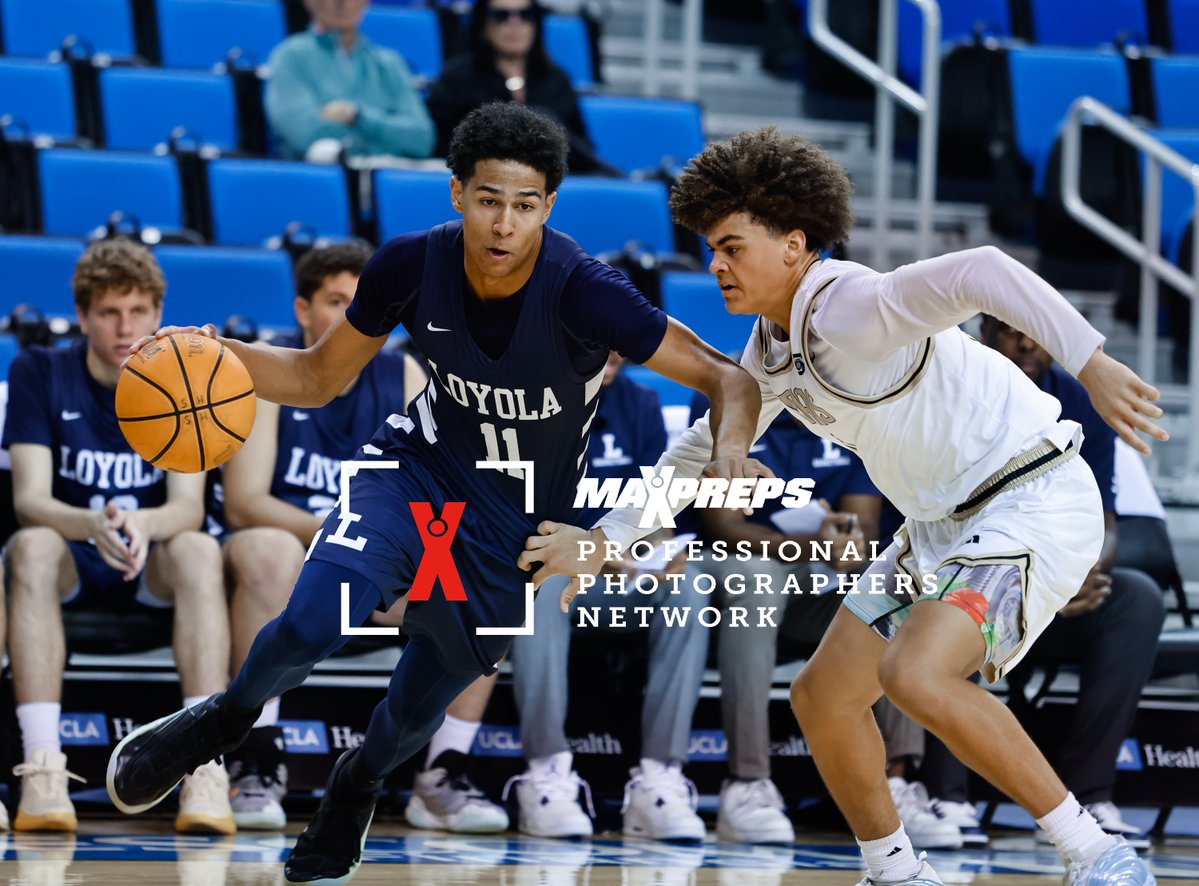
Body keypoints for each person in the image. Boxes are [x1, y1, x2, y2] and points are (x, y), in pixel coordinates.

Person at [106, 103, 765, 885]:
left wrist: (728, 451)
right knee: (313, 618)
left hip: (512, 521)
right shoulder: (410, 265)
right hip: (413, 474)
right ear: (457, 193)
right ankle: (225, 717)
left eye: (524, 206)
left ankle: (357, 785)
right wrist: (218, 353)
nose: (504, 224)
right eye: (488, 199)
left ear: (549, 207)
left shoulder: (586, 291)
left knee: (412, 712)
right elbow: (317, 378)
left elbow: (727, 377)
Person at [523, 128, 1165, 886]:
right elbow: (693, 454)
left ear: (794, 244)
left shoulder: (854, 304)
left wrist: (1088, 361)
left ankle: (1097, 855)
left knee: (916, 677)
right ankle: (894, 871)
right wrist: (603, 543)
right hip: (940, 526)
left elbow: (985, 269)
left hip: (1031, 499)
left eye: (730, 246)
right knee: (821, 697)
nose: (714, 265)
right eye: (709, 248)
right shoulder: (772, 348)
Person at [3, 239, 233, 835]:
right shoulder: (39, 370)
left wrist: (138, 524)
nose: (125, 326)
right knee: (30, 545)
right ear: (82, 316)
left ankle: (203, 766)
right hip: (72, 556)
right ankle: (43, 766)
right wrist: (93, 524)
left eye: (137, 311)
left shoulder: (186, 379)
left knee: (201, 547)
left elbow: (186, 509)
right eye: (109, 312)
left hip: (151, 558)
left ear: (159, 313)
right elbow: (29, 500)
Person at [977, 315, 1165, 849]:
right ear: (985, 332)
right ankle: (946, 797)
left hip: (1057, 597)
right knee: (942, 594)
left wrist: (1073, 577)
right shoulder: (963, 391)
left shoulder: (1082, 401)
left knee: (1137, 599)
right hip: (982, 587)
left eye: (1038, 331)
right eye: (1012, 330)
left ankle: (1089, 793)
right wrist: (1034, 581)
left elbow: (1104, 521)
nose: (1029, 342)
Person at [507, 352, 708, 842]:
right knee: (544, 580)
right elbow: (515, 516)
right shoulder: (522, 401)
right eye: (594, 339)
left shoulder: (638, 402)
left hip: (619, 570)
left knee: (688, 587)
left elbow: (657, 503)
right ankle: (546, 774)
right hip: (549, 564)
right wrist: (592, 552)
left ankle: (659, 779)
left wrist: (663, 552)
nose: (613, 351)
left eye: (618, 340)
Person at [426, 0, 611, 173]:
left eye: (525, 14)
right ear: (483, 23)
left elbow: (581, 149)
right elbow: (439, 145)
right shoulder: (457, 78)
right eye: (501, 15)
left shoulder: (556, 79)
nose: (515, 24)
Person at [265, 0, 435, 162]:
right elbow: (304, 134)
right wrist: (386, 139)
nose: (342, 3)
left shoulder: (390, 63)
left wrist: (358, 117)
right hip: (322, 180)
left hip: (386, 174)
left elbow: (422, 138)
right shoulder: (290, 56)